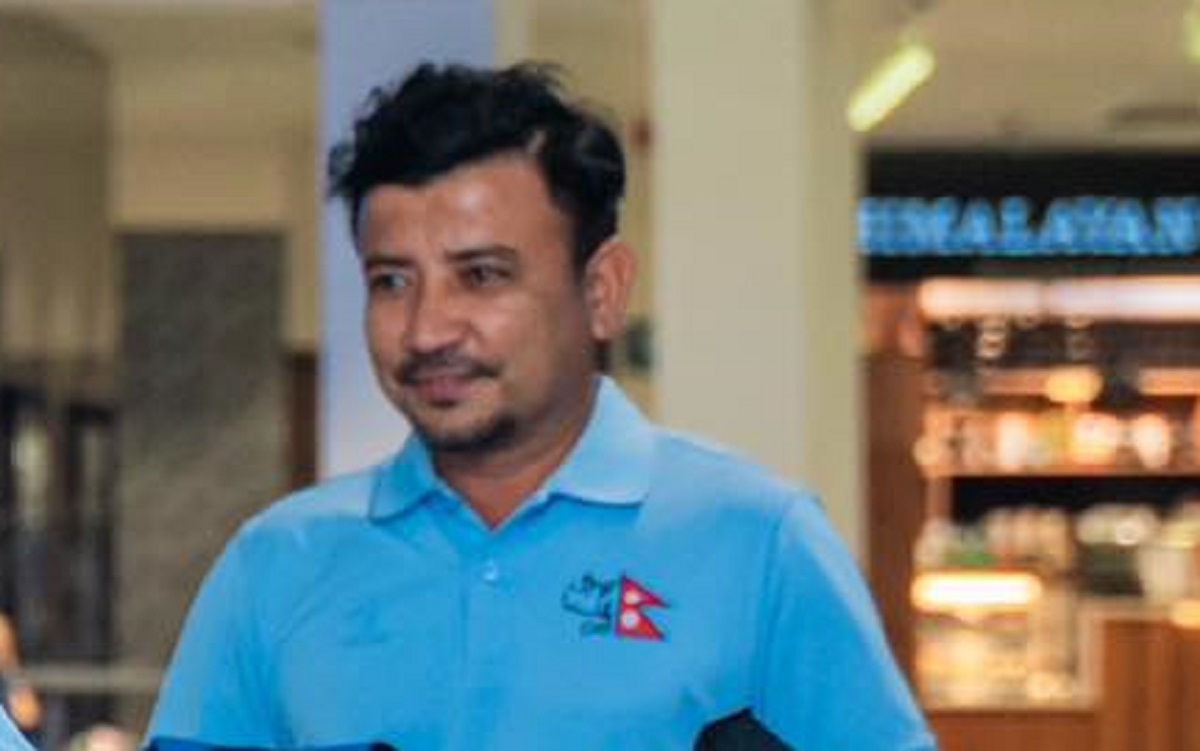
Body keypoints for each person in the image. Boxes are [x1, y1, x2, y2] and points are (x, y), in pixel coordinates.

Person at [147, 62, 936, 751]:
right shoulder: (276, 564)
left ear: (601, 291)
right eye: (392, 280)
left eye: (482, 275)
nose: (427, 328)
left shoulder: (759, 542)